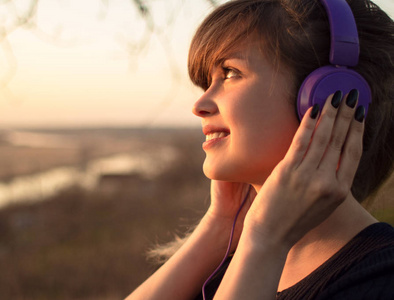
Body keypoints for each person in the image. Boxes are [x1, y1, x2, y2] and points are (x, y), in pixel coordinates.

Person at [126, 0, 394, 299]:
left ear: (330, 96)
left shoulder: (381, 278)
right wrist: (219, 226)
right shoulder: (229, 261)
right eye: (206, 83)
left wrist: (266, 238)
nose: (199, 105)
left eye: (229, 73)